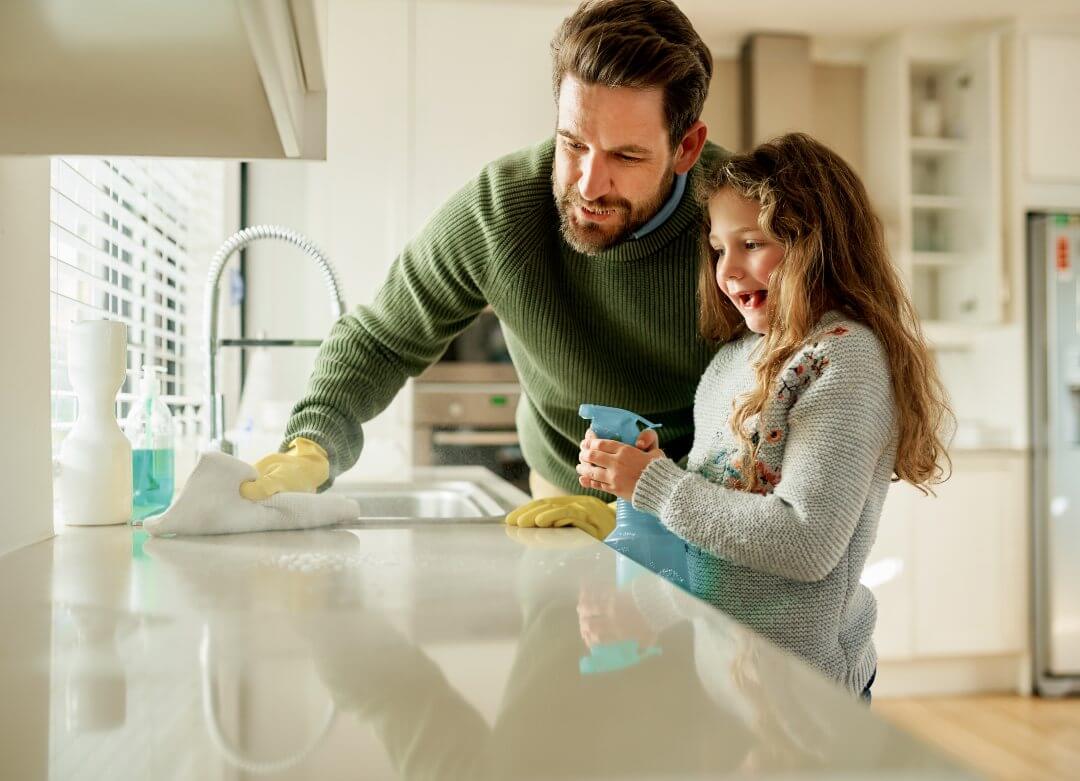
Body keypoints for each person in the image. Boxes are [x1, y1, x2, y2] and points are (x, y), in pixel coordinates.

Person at [237, 0, 732, 540]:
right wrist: (313, 444)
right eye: (574, 144)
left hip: (701, 504)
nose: (589, 185)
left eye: (626, 158)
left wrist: (651, 509)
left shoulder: (740, 221)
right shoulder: (502, 208)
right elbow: (382, 339)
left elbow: (779, 407)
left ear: (686, 148)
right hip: (562, 494)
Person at [568, 133, 953, 697]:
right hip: (730, 677)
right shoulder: (734, 360)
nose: (729, 271)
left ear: (815, 244)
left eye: (751, 243)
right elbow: (713, 529)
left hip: (806, 694)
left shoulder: (843, 358)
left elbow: (805, 542)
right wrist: (648, 485)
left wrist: (655, 485)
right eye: (719, 249)